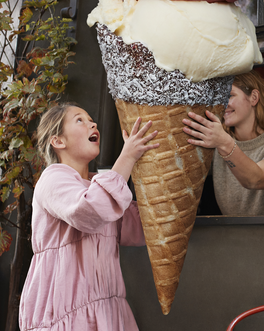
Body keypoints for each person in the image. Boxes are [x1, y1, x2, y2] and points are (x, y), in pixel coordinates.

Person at [19, 102, 159, 331]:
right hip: (65, 312)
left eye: (91, 119)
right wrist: (127, 158)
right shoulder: (52, 179)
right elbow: (91, 211)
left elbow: (145, 229)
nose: (93, 123)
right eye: (79, 120)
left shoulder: (100, 186)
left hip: (107, 309)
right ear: (58, 141)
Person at [182, 70, 264, 215]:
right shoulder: (217, 143)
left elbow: (257, 179)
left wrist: (224, 144)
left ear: (254, 97)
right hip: (230, 235)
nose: (222, 103)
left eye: (230, 95)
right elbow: (181, 175)